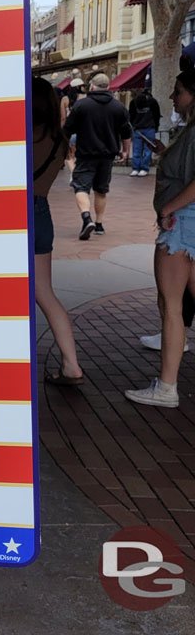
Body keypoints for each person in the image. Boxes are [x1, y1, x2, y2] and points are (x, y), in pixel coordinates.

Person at [125, 66, 195, 407]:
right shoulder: (189, 129)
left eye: (178, 90)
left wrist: (168, 209)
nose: (172, 96)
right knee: (175, 306)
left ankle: (167, 387)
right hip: (184, 222)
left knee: (171, 306)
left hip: (181, 225)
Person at [33, 77, 85, 385]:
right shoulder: (59, 139)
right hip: (42, 213)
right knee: (45, 293)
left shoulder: (20, 134)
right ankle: (71, 364)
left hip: (12, 215)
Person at [64, 73, 131, 239]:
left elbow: (67, 129)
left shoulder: (82, 105)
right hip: (107, 155)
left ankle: (87, 218)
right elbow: (126, 133)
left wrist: (65, 148)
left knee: (81, 187)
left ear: (92, 86)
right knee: (101, 190)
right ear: (108, 87)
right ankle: (99, 224)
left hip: (86, 154)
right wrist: (124, 151)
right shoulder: (118, 107)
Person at [128, 87, 161, 176]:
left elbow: (131, 116)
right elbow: (156, 115)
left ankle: (136, 168)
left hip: (139, 129)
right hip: (148, 128)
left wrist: (133, 126)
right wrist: (156, 127)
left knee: (137, 150)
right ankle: (143, 168)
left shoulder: (133, 102)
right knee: (147, 150)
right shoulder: (152, 101)